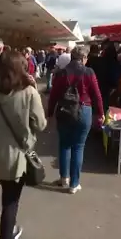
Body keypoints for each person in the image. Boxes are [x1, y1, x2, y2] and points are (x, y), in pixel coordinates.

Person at [0, 50, 47, 239]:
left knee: (7, 196)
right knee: (11, 200)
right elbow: (40, 124)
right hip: (17, 156)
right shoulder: (29, 92)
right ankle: (7, 234)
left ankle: (8, 231)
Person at [48, 46, 104, 194]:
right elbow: (96, 94)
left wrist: (50, 112)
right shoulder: (89, 72)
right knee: (78, 146)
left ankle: (64, 178)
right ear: (84, 58)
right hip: (84, 110)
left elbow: (54, 94)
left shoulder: (61, 73)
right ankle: (74, 184)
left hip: (64, 110)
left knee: (64, 145)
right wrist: (100, 113)